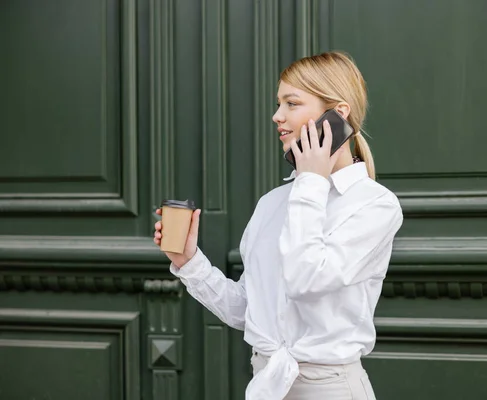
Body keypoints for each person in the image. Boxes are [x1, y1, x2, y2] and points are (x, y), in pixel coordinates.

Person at [153, 51, 403, 400]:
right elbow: (247, 312)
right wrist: (189, 263)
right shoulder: (273, 203)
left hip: (330, 390)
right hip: (267, 384)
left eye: (291, 103)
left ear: (337, 115)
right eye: (278, 103)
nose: (277, 116)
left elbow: (306, 280)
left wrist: (311, 182)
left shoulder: (375, 205)